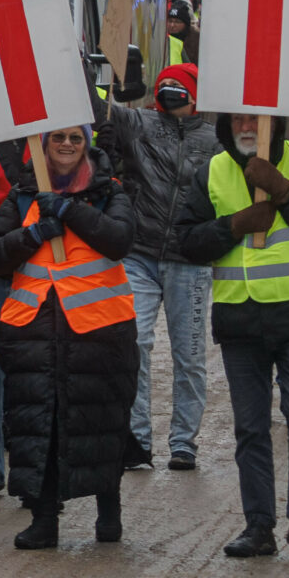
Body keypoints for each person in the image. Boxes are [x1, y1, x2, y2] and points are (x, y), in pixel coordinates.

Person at [179, 111, 289, 560]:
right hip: (241, 322)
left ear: (276, 120)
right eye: (238, 118)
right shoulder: (212, 171)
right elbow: (186, 242)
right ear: (226, 124)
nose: (247, 126)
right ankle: (259, 527)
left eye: (257, 118)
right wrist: (233, 226)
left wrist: (286, 193)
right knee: (251, 428)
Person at [0, 124, 137, 550]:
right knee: (39, 427)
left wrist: (70, 212)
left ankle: (109, 511)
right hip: (33, 332)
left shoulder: (110, 191)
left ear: (87, 145)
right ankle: (44, 518)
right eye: (57, 138)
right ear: (43, 145)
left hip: (100, 332)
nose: (67, 145)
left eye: (75, 138)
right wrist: (32, 234)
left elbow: (119, 239)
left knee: (102, 425)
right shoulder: (23, 195)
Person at [103, 62, 220, 468]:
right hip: (140, 253)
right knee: (134, 344)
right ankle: (136, 441)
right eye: (164, 86)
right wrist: (94, 71)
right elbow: (97, 106)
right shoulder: (139, 123)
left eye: (179, 87)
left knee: (189, 354)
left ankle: (184, 442)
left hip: (191, 260)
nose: (170, 92)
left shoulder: (216, 138)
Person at [165, 0, 199, 66]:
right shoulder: (163, 39)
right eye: (170, 21)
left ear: (186, 24)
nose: (172, 25)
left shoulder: (196, 39)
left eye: (177, 22)